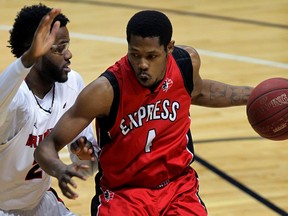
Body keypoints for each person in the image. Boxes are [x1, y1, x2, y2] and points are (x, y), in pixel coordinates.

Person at [35, 10, 254, 215]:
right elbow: (46, 146)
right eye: (135, 54)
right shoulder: (105, 91)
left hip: (178, 188)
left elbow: (200, 91)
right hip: (124, 195)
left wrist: (253, 95)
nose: (142, 64)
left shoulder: (185, 63)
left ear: (169, 48)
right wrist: (60, 170)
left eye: (151, 56)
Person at [0, 4, 97, 216]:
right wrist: (26, 60)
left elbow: (88, 168)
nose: (69, 54)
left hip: (38, 203)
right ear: (35, 49)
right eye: (59, 48)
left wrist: (83, 157)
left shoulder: (72, 84)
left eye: (67, 45)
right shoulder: (15, 99)